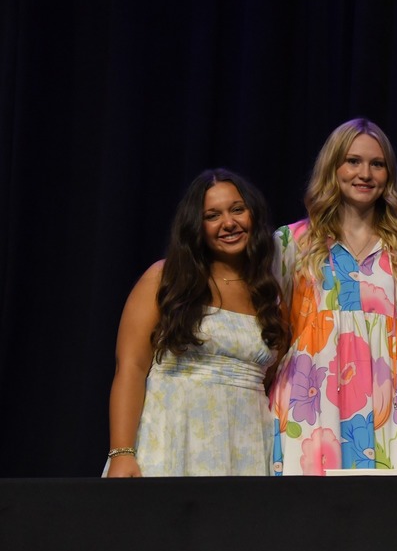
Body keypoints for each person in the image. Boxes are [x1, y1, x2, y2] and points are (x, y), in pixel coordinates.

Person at [270, 118, 397, 474]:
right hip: (313, 404)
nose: (365, 174)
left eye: (377, 164)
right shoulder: (292, 242)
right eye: (353, 161)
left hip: (389, 408)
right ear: (333, 167)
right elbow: (274, 332)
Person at [106, 168, 287, 477]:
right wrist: (122, 453)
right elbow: (131, 367)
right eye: (212, 216)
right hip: (171, 438)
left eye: (237, 210)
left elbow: (270, 378)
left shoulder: (269, 294)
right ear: (196, 226)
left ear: (253, 215)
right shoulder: (166, 279)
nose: (228, 223)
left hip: (246, 446)